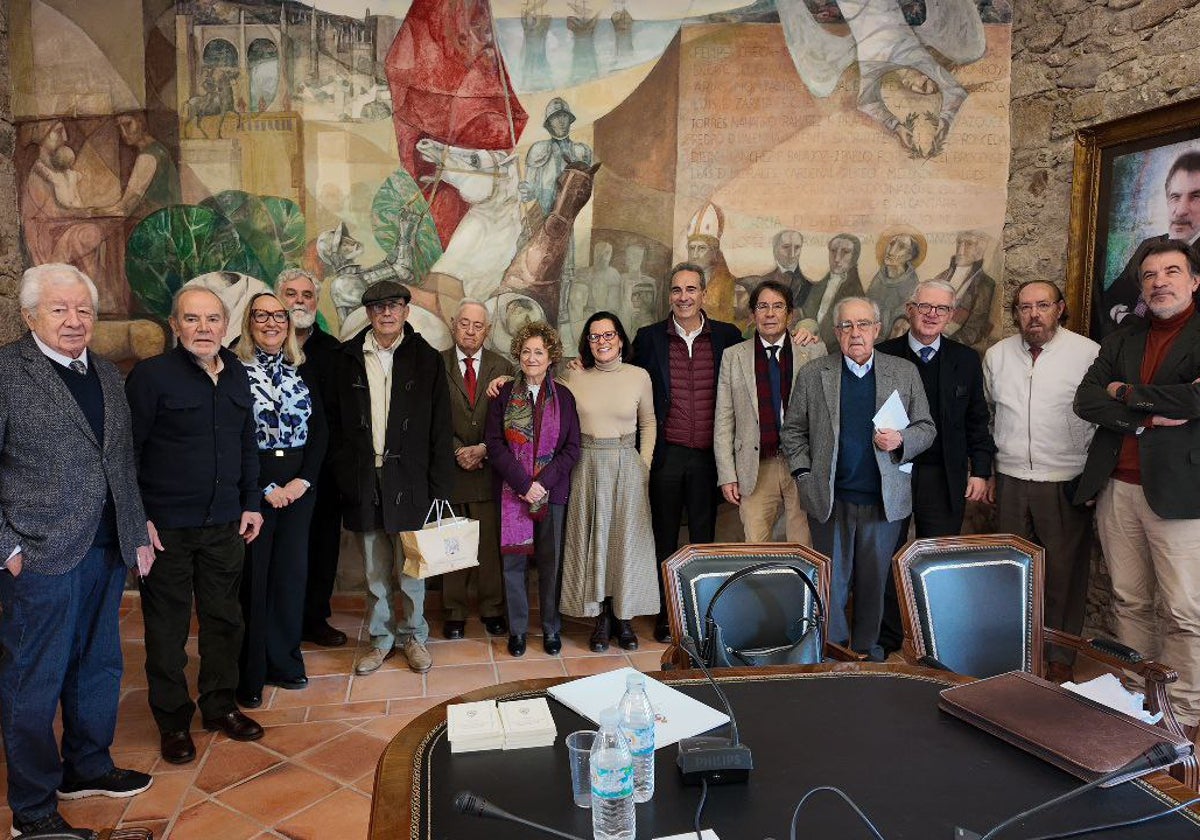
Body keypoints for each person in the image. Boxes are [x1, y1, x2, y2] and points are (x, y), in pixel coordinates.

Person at [0, 265, 154, 839]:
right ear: (30, 315)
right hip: (38, 555)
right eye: (60, 309)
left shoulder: (109, 375)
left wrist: (136, 533)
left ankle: (86, 766)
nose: (74, 321)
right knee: (33, 679)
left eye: (83, 310)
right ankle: (35, 811)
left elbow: (119, 464)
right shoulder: (7, 372)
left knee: (99, 665)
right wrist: (6, 547)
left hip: (107, 545)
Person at [126, 286, 265, 765]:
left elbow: (248, 443)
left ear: (225, 327)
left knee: (225, 621)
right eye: (193, 319)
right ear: (174, 325)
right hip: (166, 529)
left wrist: (251, 503)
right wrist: (137, 517)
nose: (203, 329)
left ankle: (220, 707)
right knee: (166, 633)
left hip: (225, 525)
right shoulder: (150, 377)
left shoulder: (237, 375)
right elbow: (128, 454)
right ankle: (172, 722)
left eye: (212, 320)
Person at [1074, 239, 1200, 730]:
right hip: (1118, 485)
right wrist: (1146, 416)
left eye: (1171, 271)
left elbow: (1193, 405)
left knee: (1185, 608)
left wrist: (1124, 393)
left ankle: (1184, 709)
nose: (1160, 281)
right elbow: (1086, 398)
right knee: (1129, 599)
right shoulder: (1126, 334)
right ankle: (1136, 693)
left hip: (1181, 492)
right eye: (1150, 274)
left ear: (1193, 280)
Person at [782, 297, 935, 661]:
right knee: (832, 585)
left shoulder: (903, 373)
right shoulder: (814, 373)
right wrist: (804, 474)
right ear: (836, 332)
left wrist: (901, 440)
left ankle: (868, 650)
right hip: (831, 500)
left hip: (884, 502)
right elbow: (793, 432)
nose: (856, 333)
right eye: (847, 326)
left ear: (877, 330)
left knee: (874, 582)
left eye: (863, 324)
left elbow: (926, 428)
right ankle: (834, 653)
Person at [328, 280, 454, 676]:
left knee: (413, 566)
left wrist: (438, 488)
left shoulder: (426, 359)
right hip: (365, 477)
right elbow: (333, 426)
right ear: (368, 313)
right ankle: (381, 639)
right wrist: (343, 476)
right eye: (378, 306)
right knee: (374, 566)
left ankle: (414, 636)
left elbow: (440, 427)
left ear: (405, 311)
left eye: (394, 305)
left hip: (411, 479)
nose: (386, 313)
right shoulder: (345, 358)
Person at [983, 279, 1099, 682]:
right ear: (1015, 312)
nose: (1033, 314)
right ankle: (1016, 653)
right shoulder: (997, 356)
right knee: (1012, 570)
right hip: (1012, 477)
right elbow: (990, 415)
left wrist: (1091, 482)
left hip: (1065, 478)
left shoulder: (1087, 353)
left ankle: (1060, 659)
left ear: (1059, 308)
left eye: (1043, 305)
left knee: (1064, 573)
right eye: (1024, 307)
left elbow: (1099, 420)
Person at [875, 280, 995, 654]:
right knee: (887, 555)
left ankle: (932, 640)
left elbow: (978, 419)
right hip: (892, 474)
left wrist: (981, 470)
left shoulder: (966, 359)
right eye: (924, 307)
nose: (932, 315)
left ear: (952, 315)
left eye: (941, 309)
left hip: (944, 475)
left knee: (936, 558)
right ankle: (887, 636)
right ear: (910, 309)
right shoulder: (884, 354)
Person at [632, 262, 745, 642]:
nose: (684, 297)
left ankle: (699, 615)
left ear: (704, 294)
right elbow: (623, 376)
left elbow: (761, 356)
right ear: (670, 296)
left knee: (702, 539)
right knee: (664, 538)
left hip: (708, 456)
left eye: (691, 289)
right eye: (677, 290)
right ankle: (667, 615)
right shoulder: (648, 338)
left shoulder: (728, 336)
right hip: (668, 453)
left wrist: (805, 338)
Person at [233, 291, 327, 708]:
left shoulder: (301, 369)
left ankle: (285, 660)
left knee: (291, 577)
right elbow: (233, 438)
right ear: (249, 323)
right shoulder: (233, 371)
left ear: (288, 325)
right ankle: (251, 670)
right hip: (255, 490)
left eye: (279, 316)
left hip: (299, 489)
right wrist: (265, 488)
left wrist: (302, 481)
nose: (271, 323)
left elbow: (321, 432)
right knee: (254, 582)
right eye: (262, 316)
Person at [560, 311, 657, 652]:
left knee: (624, 542)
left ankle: (624, 618)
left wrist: (643, 466)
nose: (602, 341)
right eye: (595, 336)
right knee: (593, 541)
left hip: (626, 463)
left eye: (608, 335)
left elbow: (649, 422)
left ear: (620, 338)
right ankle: (599, 617)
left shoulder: (639, 376)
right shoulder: (573, 375)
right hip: (586, 464)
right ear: (587, 342)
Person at [485, 322, 580, 657]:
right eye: (526, 351)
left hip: (552, 495)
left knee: (551, 563)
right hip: (513, 494)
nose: (531, 357)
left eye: (539, 351)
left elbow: (572, 448)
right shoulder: (504, 395)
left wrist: (542, 485)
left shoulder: (565, 397)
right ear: (518, 355)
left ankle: (552, 629)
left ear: (551, 356)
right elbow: (494, 446)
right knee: (513, 565)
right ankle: (519, 631)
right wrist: (524, 485)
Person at [716, 279, 825, 545]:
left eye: (778, 307)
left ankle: (801, 588)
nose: (770, 313)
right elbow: (723, 419)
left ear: (789, 314)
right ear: (753, 314)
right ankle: (762, 588)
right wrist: (727, 474)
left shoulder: (812, 350)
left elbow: (825, 413)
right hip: (755, 466)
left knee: (803, 544)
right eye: (762, 307)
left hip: (802, 464)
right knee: (756, 545)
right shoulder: (733, 356)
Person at [276, 268, 349, 648]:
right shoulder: (251, 348)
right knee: (277, 552)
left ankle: (314, 619)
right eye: (291, 293)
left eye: (307, 295)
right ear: (278, 299)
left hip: (323, 473)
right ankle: (278, 622)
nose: (299, 301)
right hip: (272, 473)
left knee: (321, 548)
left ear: (315, 303)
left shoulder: (333, 351)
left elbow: (342, 415)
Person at [440, 299, 513, 640]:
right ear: (454, 324)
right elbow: (431, 418)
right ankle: (454, 611)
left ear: (488, 329)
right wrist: (456, 448)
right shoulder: (435, 364)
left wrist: (485, 447)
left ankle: (492, 608)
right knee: (453, 543)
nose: (470, 331)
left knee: (487, 545)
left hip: (489, 469)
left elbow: (513, 420)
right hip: (451, 469)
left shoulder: (503, 366)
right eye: (465, 323)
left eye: (478, 325)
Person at [1099, 152, 1200, 336]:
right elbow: (1112, 296)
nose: (1181, 211)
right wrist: (1118, 313)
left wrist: (1130, 320)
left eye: (1195, 196)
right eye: (1175, 196)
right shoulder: (1149, 245)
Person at [927, 230, 997, 352]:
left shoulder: (985, 284)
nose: (961, 249)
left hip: (955, 348)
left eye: (968, 244)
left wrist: (945, 347)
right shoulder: (941, 277)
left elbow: (974, 328)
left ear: (979, 251)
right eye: (959, 243)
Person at [796, 234, 865, 347]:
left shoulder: (857, 296)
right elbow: (807, 315)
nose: (837, 258)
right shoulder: (818, 287)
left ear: (855, 257)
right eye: (833, 251)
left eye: (845, 252)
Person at [867, 227, 925, 339]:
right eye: (892, 244)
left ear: (910, 256)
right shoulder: (878, 280)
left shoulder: (912, 286)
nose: (891, 251)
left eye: (901, 247)